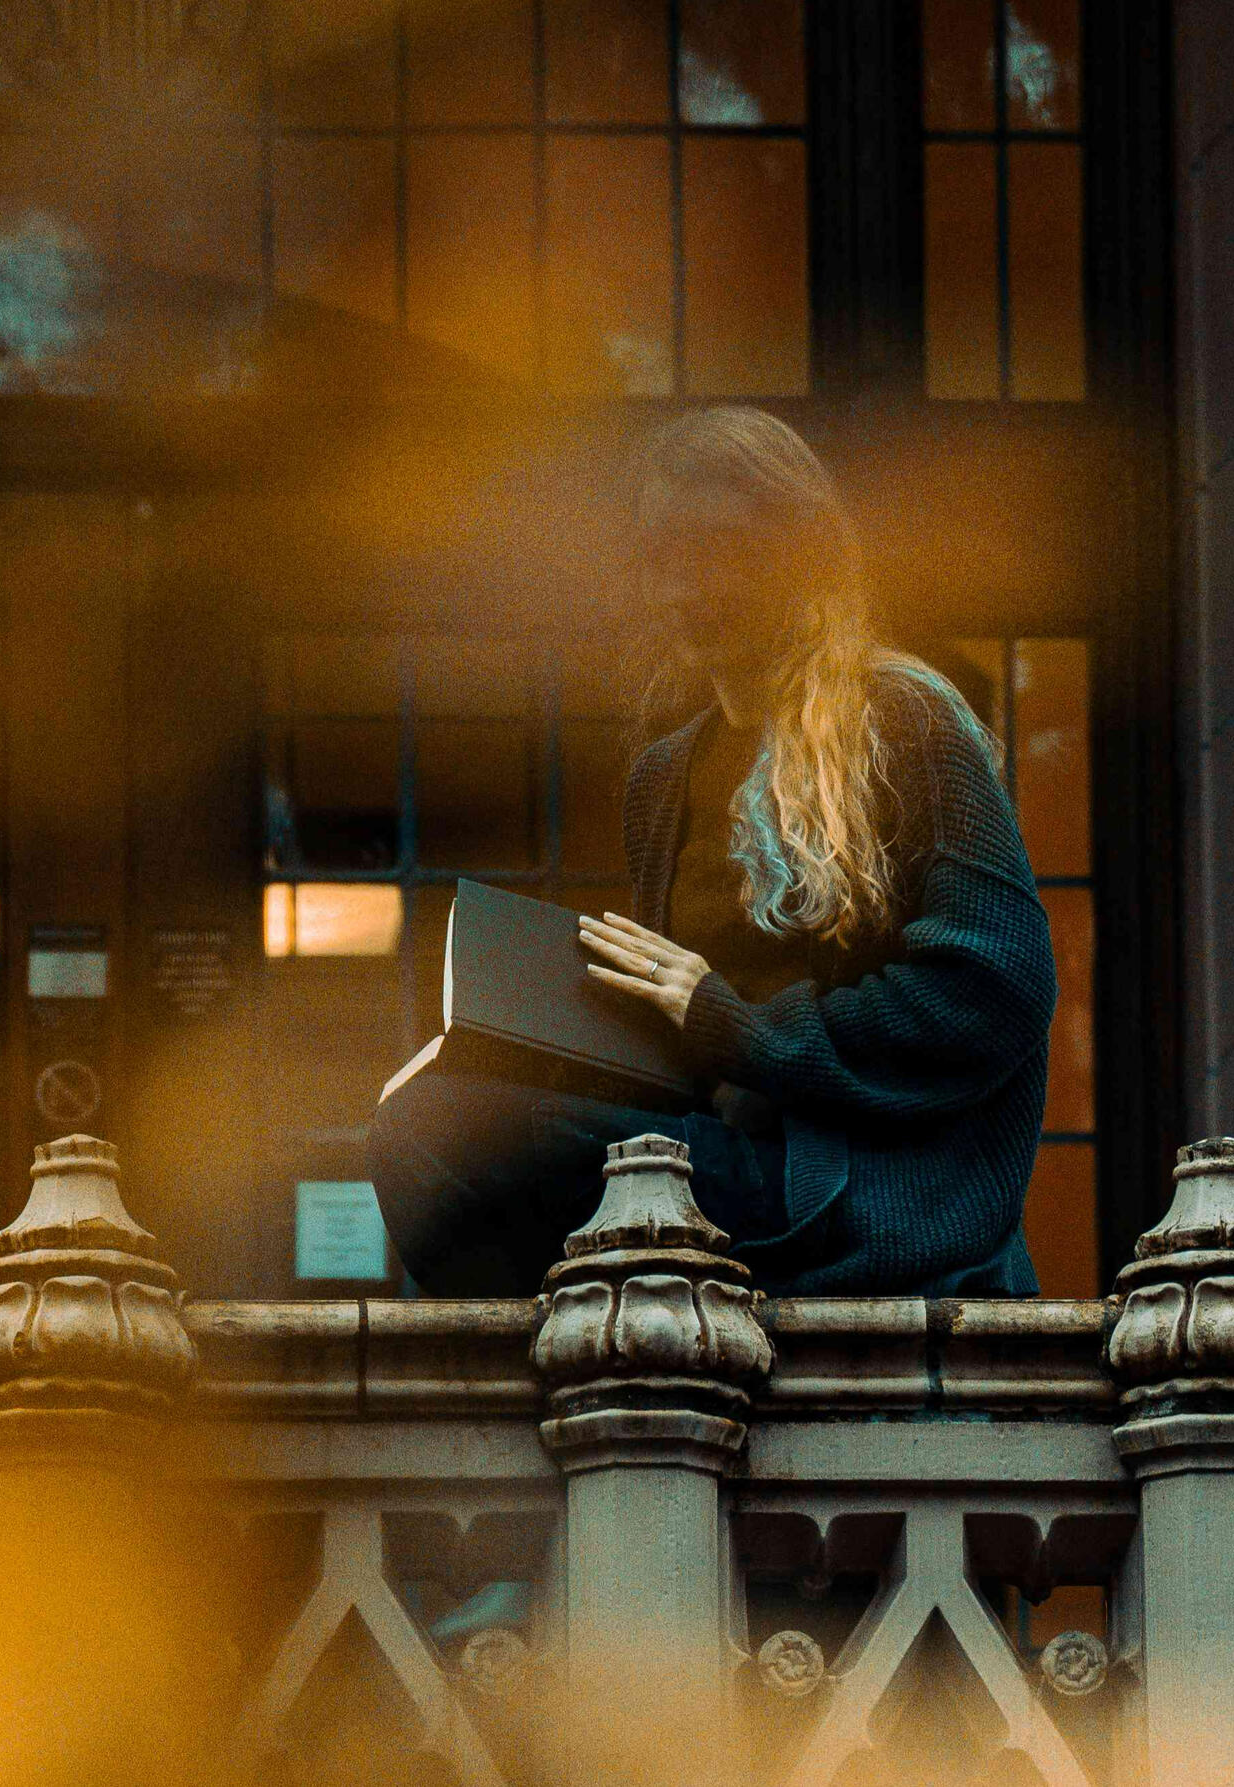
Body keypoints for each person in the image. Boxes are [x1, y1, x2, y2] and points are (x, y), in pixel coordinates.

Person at [368, 404, 1056, 1300]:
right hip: (717, 1167)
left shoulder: (906, 717)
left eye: (721, 549)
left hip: (854, 1194)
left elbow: (991, 992)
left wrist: (737, 1025)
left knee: (437, 1129)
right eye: (662, 556)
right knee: (429, 1125)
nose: (683, 586)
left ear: (802, 556)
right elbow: (684, 1048)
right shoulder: (666, 773)